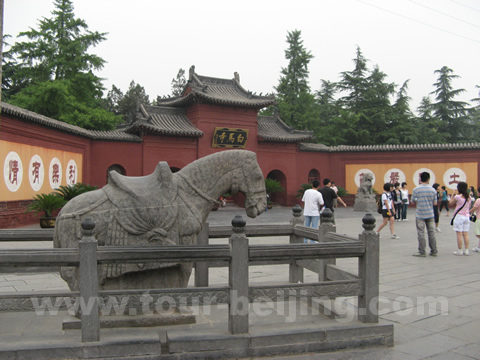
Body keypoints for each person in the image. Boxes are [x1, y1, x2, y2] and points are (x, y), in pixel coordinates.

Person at [411, 172, 438, 257]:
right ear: (428, 179)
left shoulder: (416, 189)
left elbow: (412, 201)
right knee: (431, 233)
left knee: (421, 233)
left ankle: (422, 251)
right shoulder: (433, 190)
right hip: (430, 214)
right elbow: (435, 203)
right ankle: (434, 250)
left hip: (420, 214)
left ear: (420, 179)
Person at [449, 181, 471, 256]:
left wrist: (453, 194)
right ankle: (467, 250)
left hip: (459, 216)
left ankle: (460, 250)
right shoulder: (469, 197)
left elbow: (450, 203)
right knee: (466, 234)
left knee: (459, 234)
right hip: (467, 217)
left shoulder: (457, 197)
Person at [469, 187, 480, 252]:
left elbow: (474, 208)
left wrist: (468, 212)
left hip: (479, 218)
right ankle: (478, 247)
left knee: (477, 233)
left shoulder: (478, 200)